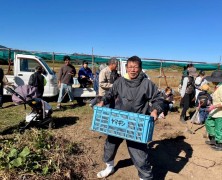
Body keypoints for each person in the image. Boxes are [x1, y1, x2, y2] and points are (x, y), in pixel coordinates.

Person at [96, 56, 164, 179]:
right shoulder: (120, 81)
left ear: (140, 68)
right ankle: (109, 167)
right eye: (130, 67)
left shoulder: (146, 84)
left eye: (135, 67)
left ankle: (145, 177)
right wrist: (102, 101)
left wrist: (155, 110)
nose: (133, 70)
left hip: (136, 124)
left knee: (139, 154)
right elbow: (110, 94)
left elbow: (158, 99)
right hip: (118, 120)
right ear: (126, 68)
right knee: (110, 145)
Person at [204, 70, 222, 151]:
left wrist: (214, 106)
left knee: (219, 128)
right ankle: (214, 139)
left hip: (220, 113)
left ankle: (220, 144)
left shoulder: (221, 88)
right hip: (214, 111)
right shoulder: (217, 87)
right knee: (209, 123)